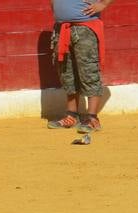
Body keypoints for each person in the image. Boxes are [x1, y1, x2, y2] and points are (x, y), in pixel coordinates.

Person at [48, 0, 112, 133]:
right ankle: (72, 115)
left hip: (85, 27)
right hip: (61, 28)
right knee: (67, 72)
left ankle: (92, 118)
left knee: (89, 71)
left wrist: (103, 4)